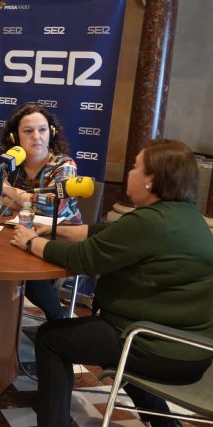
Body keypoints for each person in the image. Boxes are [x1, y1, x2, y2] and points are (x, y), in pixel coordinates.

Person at [11, 139, 213, 427]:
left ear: (150, 180)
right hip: (189, 347)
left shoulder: (150, 222)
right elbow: (107, 233)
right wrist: (57, 230)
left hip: (157, 346)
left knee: (51, 338)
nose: (129, 173)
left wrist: (32, 242)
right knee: (115, 350)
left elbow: (83, 259)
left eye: (135, 167)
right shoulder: (185, 216)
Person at [0, 103, 81, 320]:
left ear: (51, 132)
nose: (37, 136)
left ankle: (60, 317)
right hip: (16, 229)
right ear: (15, 137)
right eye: (28, 131)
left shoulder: (64, 165)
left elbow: (53, 206)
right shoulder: (9, 161)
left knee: (33, 279)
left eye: (42, 130)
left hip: (60, 233)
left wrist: (8, 191)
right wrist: (22, 199)